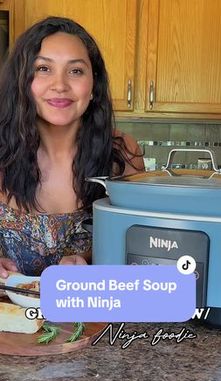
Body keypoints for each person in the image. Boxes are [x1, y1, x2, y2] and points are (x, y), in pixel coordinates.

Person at [0, 16, 144, 278]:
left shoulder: (122, 154)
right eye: (43, 68)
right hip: (10, 316)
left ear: (93, 86)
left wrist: (92, 265)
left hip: (91, 315)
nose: (60, 85)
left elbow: (139, 257)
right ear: (22, 81)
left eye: (75, 70)